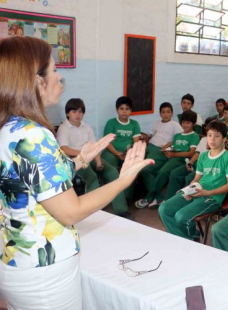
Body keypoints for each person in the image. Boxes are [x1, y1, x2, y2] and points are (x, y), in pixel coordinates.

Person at [0, 36, 151, 309]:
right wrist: (124, 179)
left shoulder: (10, 128)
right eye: (54, 70)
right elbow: (71, 211)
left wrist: (81, 159)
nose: (60, 78)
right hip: (44, 270)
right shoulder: (35, 135)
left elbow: (35, 182)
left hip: (16, 259)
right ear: (37, 81)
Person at [159, 121, 228, 240]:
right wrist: (189, 191)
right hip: (198, 191)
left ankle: (190, 238)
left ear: (224, 139)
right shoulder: (204, 156)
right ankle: (185, 238)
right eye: (209, 135)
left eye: (217, 136)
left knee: (181, 216)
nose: (212, 139)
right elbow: (196, 179)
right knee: (164, 209)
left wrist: (207, 193)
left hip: (212, 197)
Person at [56, 98, 131, 218]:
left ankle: (121, 210)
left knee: (112, 172)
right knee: (91, 176)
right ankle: (94, 213)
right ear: (67, 113)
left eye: (80, 112)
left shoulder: (87, 127)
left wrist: (98, 161)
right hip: (75, 161)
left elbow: (95, 147)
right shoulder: (64, 128)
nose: (77, 115)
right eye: (74, 111)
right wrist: (84, 154)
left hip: (91, 157)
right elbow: (65, 149)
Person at [136, 110, 199, 208]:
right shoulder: (177, 135)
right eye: (183, 122)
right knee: (146, 169)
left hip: (181, 159)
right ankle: (158, 197)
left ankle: (149, 197)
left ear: (193, 124)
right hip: (169, 157)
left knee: (163, 172)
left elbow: (191, 153)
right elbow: (172, 147)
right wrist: (166, 150)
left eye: (188, 123)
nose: (185, 125)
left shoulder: (194, 136)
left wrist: (173, 154)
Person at [164, 117, 216, 200]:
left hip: (205, 166)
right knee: (175, 173)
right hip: (196, 162)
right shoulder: (203, 139)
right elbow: (197, 153)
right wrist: (190, 163)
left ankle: (187, 200)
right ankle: (169, 199)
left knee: (189, 178)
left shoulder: (218, 141)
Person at [101, 96, 141, 169]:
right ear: (117, 110)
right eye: (121, 109)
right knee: (109, 163)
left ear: (131, 111)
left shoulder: (135, 124)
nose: (124, 111)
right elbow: (106, 143)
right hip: (111, 152)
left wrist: (130, 154)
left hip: (128, 154)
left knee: (135, 165)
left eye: (127, 109)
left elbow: (136, 143)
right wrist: (117, 153)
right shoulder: (111, 123)